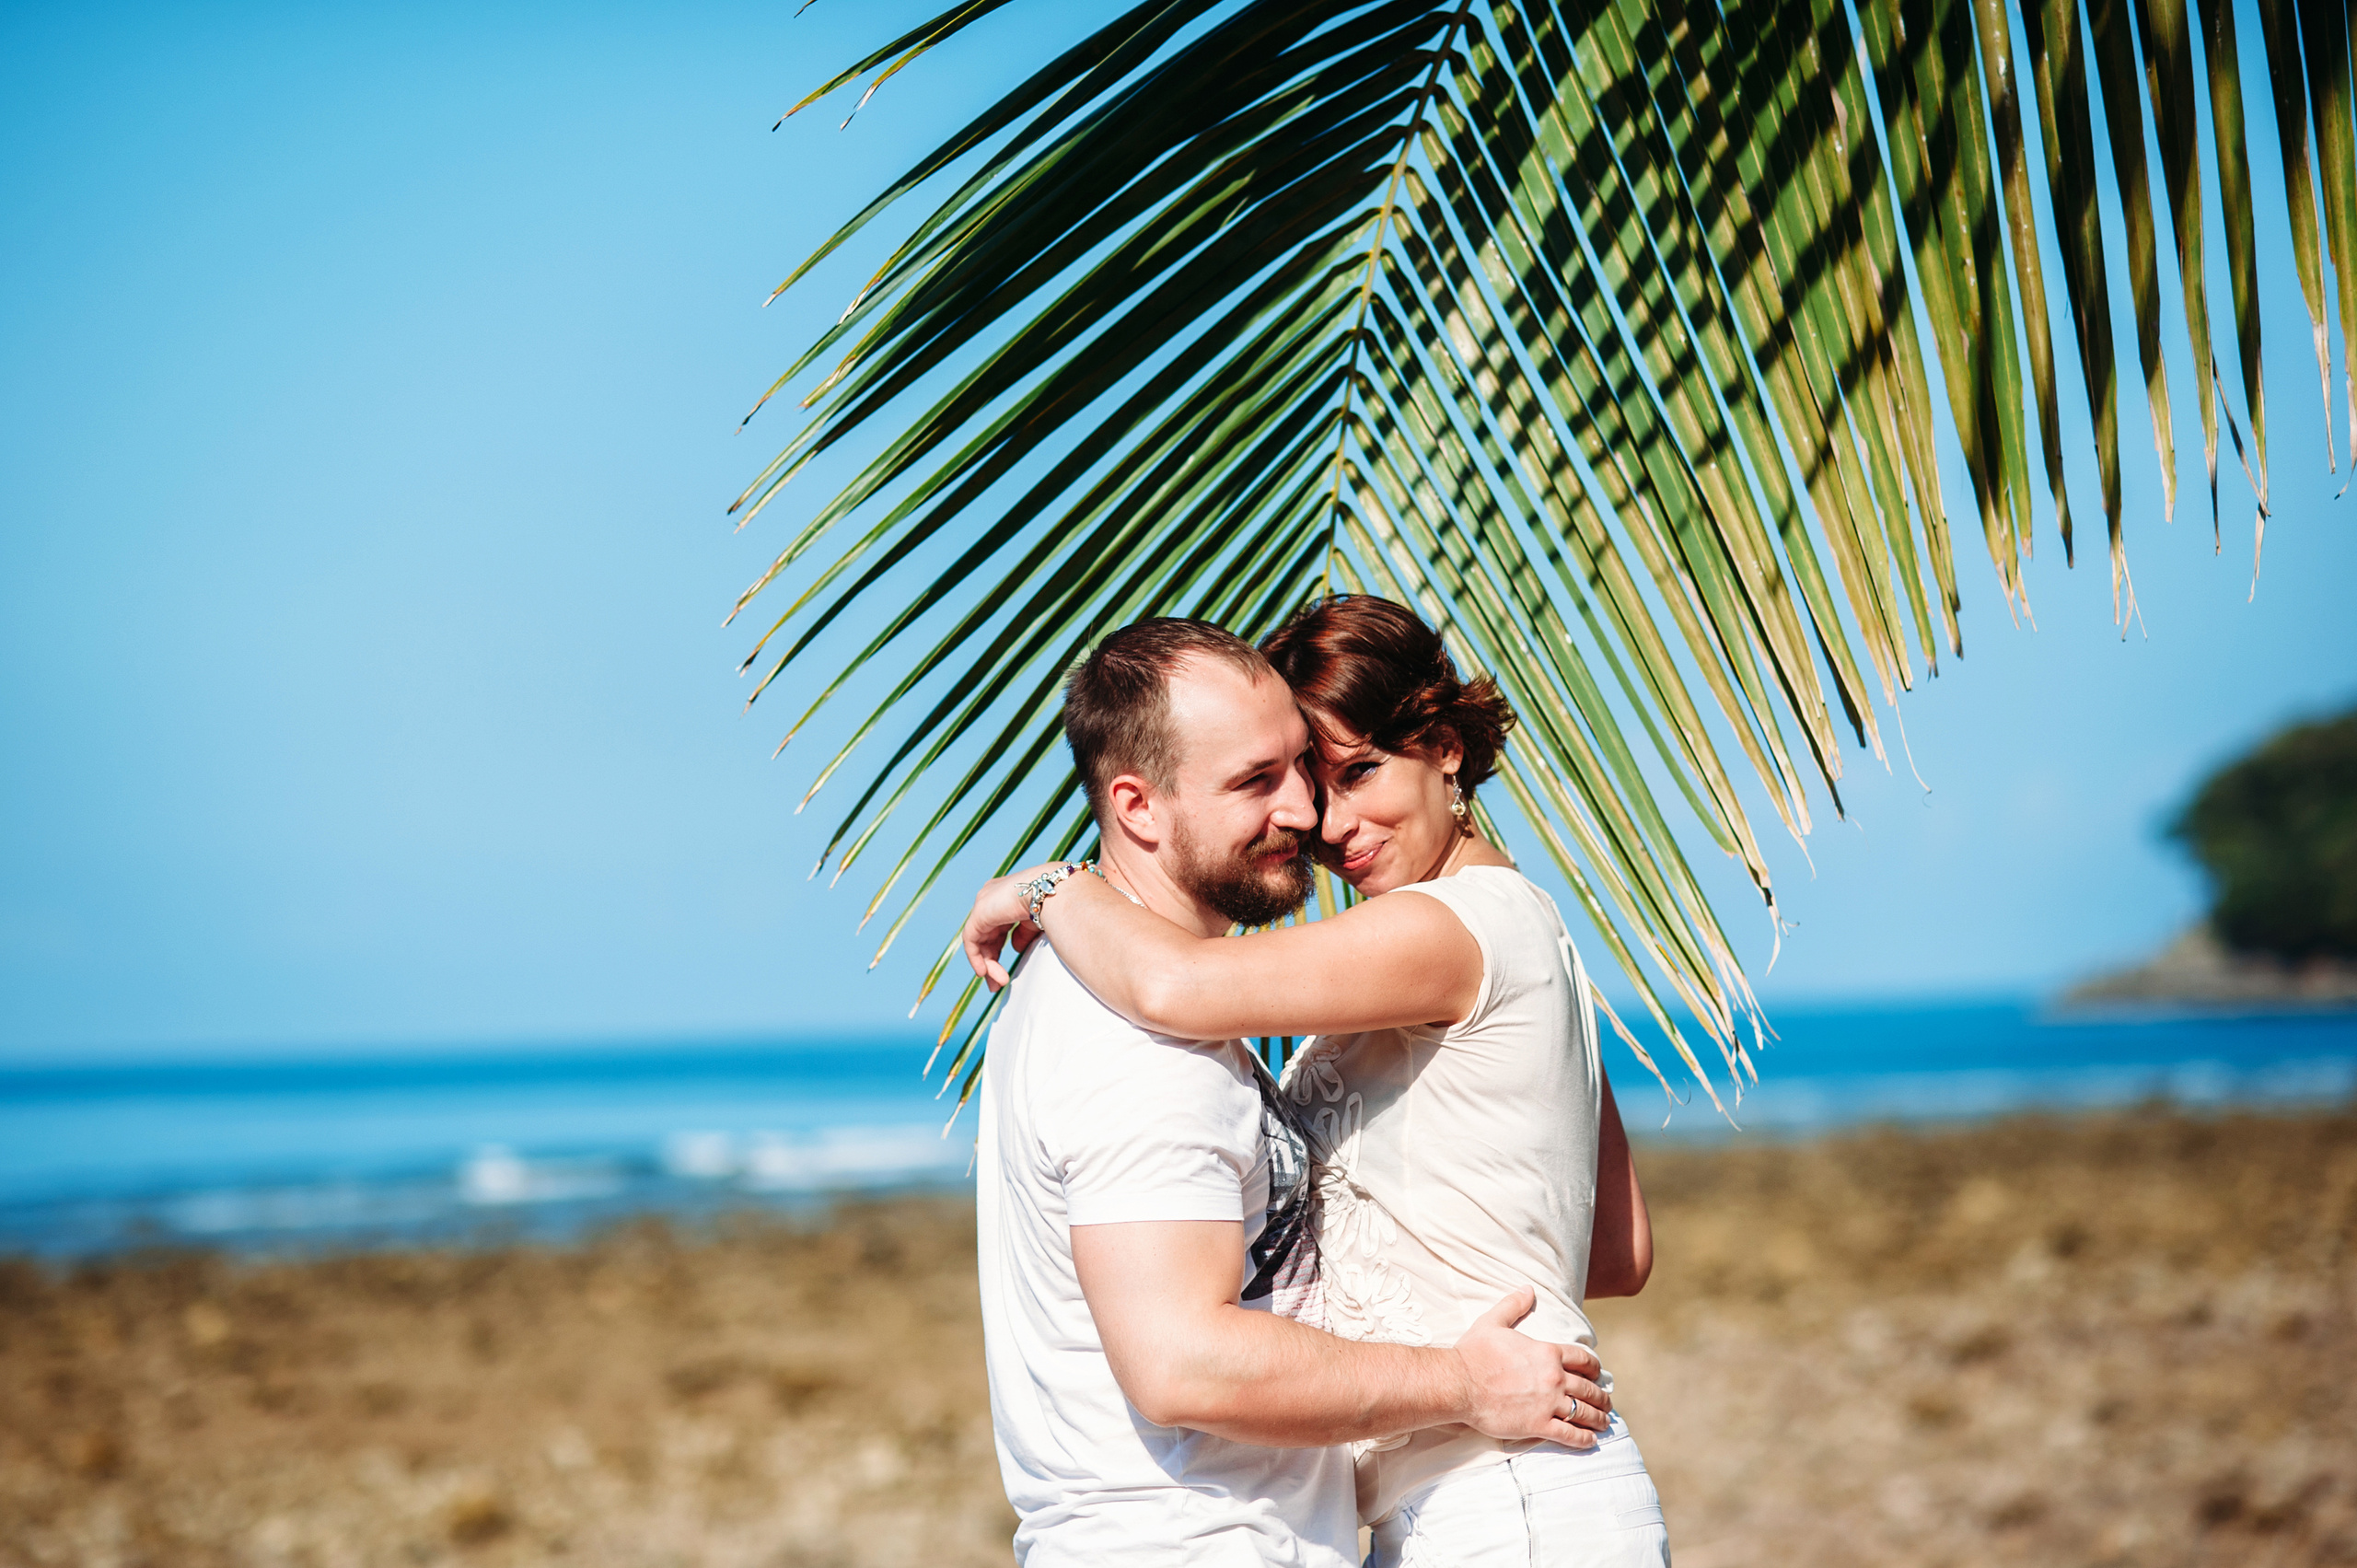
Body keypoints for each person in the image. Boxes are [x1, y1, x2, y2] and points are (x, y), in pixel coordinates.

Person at [966, 596, 1666, 1568]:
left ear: (1444, 746)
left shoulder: (1442, 931)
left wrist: (1049, 886)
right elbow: (1612, 1248)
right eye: (1289, 776)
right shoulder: (1519, 931)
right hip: (1462, 1494)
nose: (1319, 820)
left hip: (1504, 1494)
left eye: (1352, 772)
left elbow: (1176, 984)